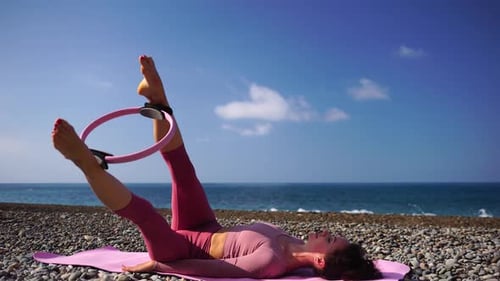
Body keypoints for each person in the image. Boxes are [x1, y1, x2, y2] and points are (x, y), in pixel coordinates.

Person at [52, 55, 382, 280]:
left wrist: (161, 265)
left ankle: (86, 162)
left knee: (146, 213)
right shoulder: (291, 239)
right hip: (206, 226)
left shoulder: (270, 263)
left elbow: (211, 270)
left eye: (331, 239)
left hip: (181, 248)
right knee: (184, 171)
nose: (327, 232)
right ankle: (157, 102)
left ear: (321, 260)